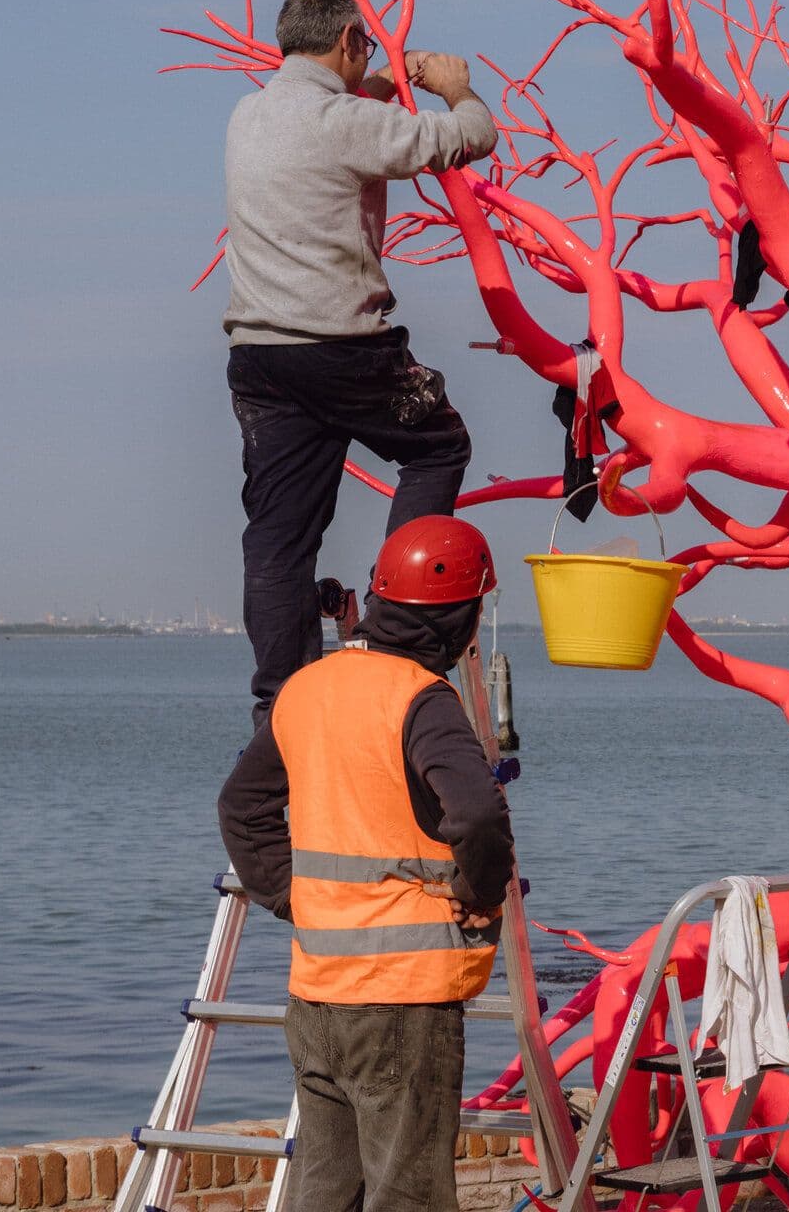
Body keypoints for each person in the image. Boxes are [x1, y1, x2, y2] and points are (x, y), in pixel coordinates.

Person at [218, 515, 512, 1212]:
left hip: (316, 997)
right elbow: (477, 815)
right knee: (407, 1195)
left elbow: (241, 809)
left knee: (324, 1192)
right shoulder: (421, 699)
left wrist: (297, 898)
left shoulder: (308, 689)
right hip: (401, 1002)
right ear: (460, 618)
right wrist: (480, 890)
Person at [223, 0, 498, 719]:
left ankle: (280, 707)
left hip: (259, 354)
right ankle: (400, 635)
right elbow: (466, 139)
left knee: (280, 537)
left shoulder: (249, 115)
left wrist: (377, 79)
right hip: (341, 348)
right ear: (348, 39)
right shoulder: (344, 123)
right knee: (439, 446)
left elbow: (337, 117)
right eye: (365, 46)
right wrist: (457, 90)